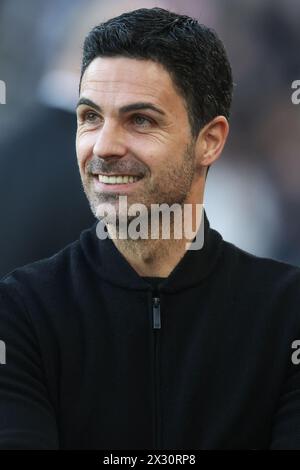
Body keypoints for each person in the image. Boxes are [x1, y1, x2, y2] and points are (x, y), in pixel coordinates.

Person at [0, 7, 300, 450]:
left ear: (210, 140)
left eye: (141, 120)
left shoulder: (286, 313)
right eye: (89, 118)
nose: (104, 146)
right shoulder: (21, 313)